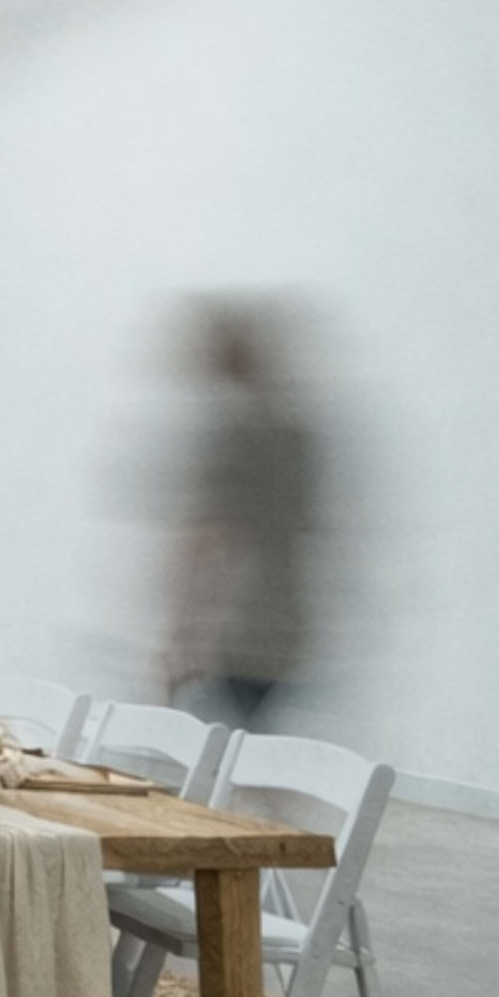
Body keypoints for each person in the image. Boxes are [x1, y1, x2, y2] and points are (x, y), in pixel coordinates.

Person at [159, 298, 320, 729]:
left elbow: (211, 539)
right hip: (289, 627)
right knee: (251, 759)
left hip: (238, 631)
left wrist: (182, 638)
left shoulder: (238, 434)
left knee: (214, 763)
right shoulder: (296, 431)